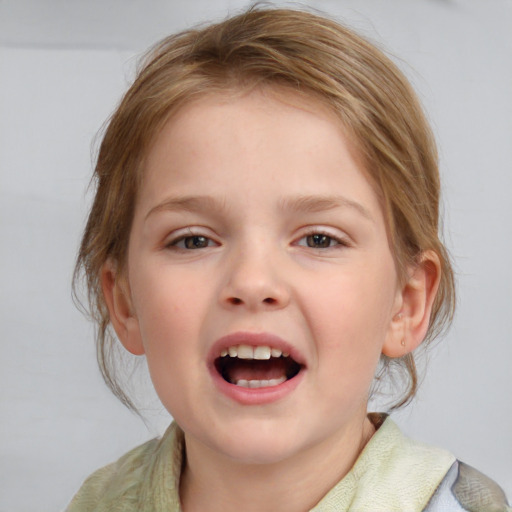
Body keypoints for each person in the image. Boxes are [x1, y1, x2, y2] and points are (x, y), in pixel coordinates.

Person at [67, 6, 510, 512]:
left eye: (319, 240)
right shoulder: (98, 502)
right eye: (193, 240)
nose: (253, 282)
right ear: (124, 301)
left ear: (405, 304)